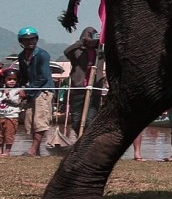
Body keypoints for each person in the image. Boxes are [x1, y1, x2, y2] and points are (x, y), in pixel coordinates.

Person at [15, 28, 55, 157]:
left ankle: (32, 150)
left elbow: (43, 77)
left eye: (32, 39)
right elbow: (23, 76)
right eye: (26, 40)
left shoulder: (43, 55)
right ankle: (36, 152)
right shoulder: (21, 56)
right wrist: (21, 88)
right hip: (31, 91)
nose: (29, 42)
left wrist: (28, 90)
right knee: (30, 120)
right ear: (21, 41)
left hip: (43, 90)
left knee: (40, 120)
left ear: (36, 39)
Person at [62, 27, 100, 133]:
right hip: (78, 89)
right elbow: (67, 51)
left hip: (94, 90)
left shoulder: (100, 52)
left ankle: (87, 143)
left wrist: (101, 40)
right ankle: (80, 141)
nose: (92, 42)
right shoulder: (77, 51)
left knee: (89, 121)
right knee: (76, 122)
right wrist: (81, 42)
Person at [0, 67, 22, 156]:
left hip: (12, 116)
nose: (12, 81)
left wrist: (8, 96)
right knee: (0, 135)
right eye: (9, 79)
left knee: (9, 134)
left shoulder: (18, 90)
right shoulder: (1, 90)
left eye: (14, 79)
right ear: (4, 80)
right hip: (1, 115)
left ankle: (7, 152)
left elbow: (17, 102)